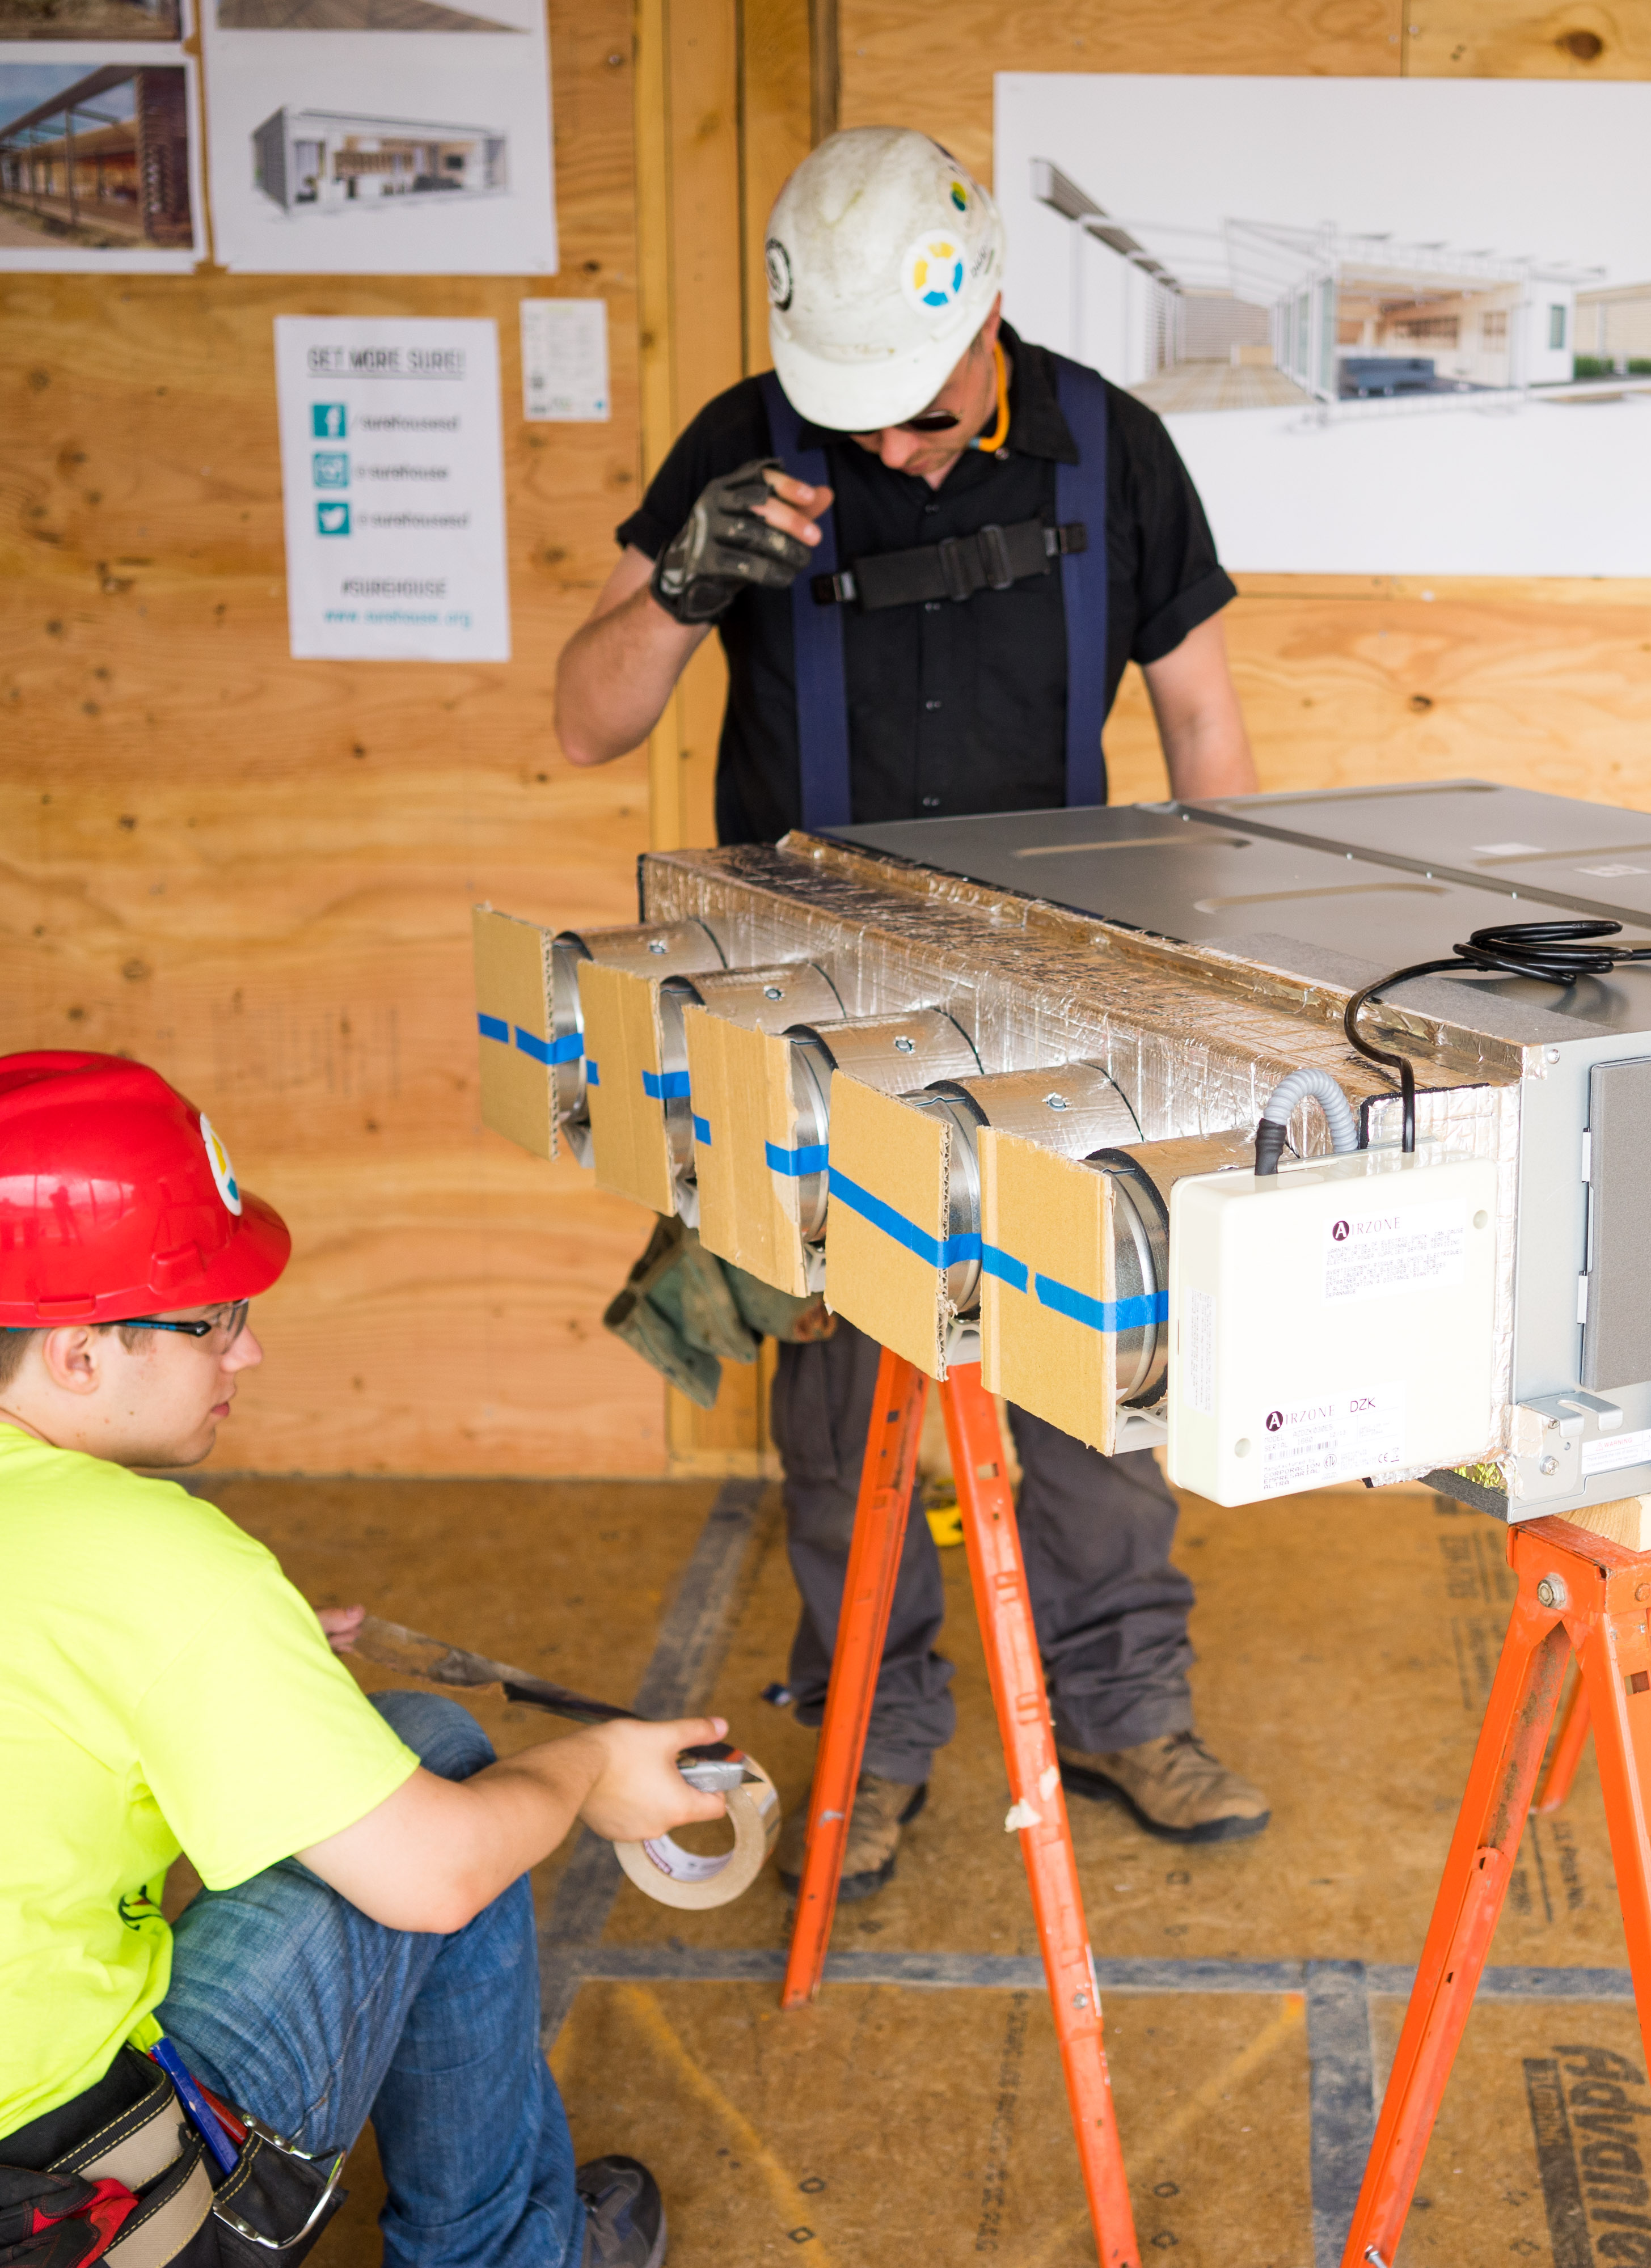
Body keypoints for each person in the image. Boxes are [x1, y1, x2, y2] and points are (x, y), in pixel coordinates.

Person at [0, 1052, 723, 2268]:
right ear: (80, 1355)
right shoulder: (153, 1550)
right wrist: (589, 1770)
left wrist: (244, 1672)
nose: (245, 1354)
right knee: (438, 1760)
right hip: (57, 2232)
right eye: (212, 1319)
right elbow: (438, 1877)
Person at [551, 126, 1270, 1895]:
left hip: (1063, 1008)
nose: (887, 445)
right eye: (856, 411)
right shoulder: (744, 443)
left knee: (1099, 1389)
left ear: (991, 314)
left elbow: (1207, 734)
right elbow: (586, 720)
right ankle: (876, 1737)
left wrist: (1227, 988)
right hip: (812, 1015)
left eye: (926, 412)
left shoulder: (1115, 446)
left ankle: (1121, 1708)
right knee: (845, 1417)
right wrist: (677, 583)